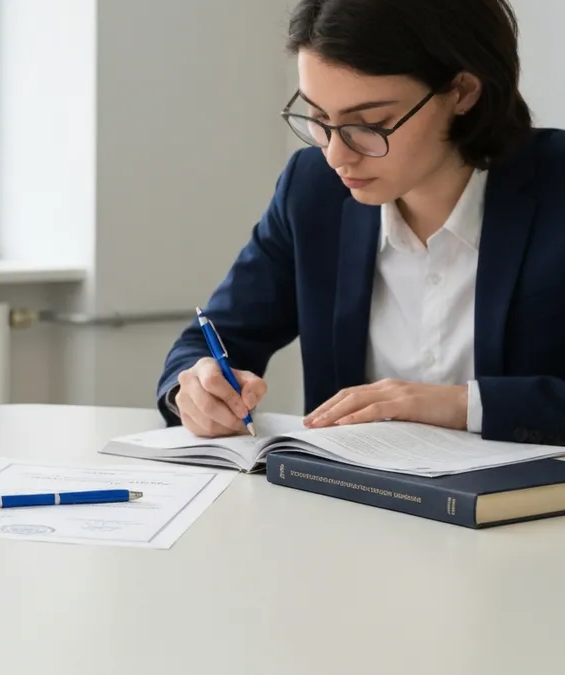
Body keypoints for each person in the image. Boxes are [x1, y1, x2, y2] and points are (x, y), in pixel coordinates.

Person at [157, 0, 565, 445]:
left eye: (370, 123)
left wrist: (462, 405)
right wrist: (194, 388)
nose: (336, 155)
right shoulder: (312, 190)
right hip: (347, 486)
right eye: (318, 117)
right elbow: (214, 339)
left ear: (463, 91)